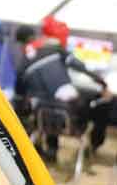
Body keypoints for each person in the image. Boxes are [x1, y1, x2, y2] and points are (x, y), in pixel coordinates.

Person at [14, 22, 112, 163]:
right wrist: (102, 83)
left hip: (44, 118)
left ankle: (51, 151)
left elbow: (19, 98)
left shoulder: (22, 65)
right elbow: (79, 66)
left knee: (49, 103)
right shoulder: (54, 48)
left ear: (20, 43)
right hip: (73, 120)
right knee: (102, 103)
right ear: (35, 36)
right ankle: (95, 145)